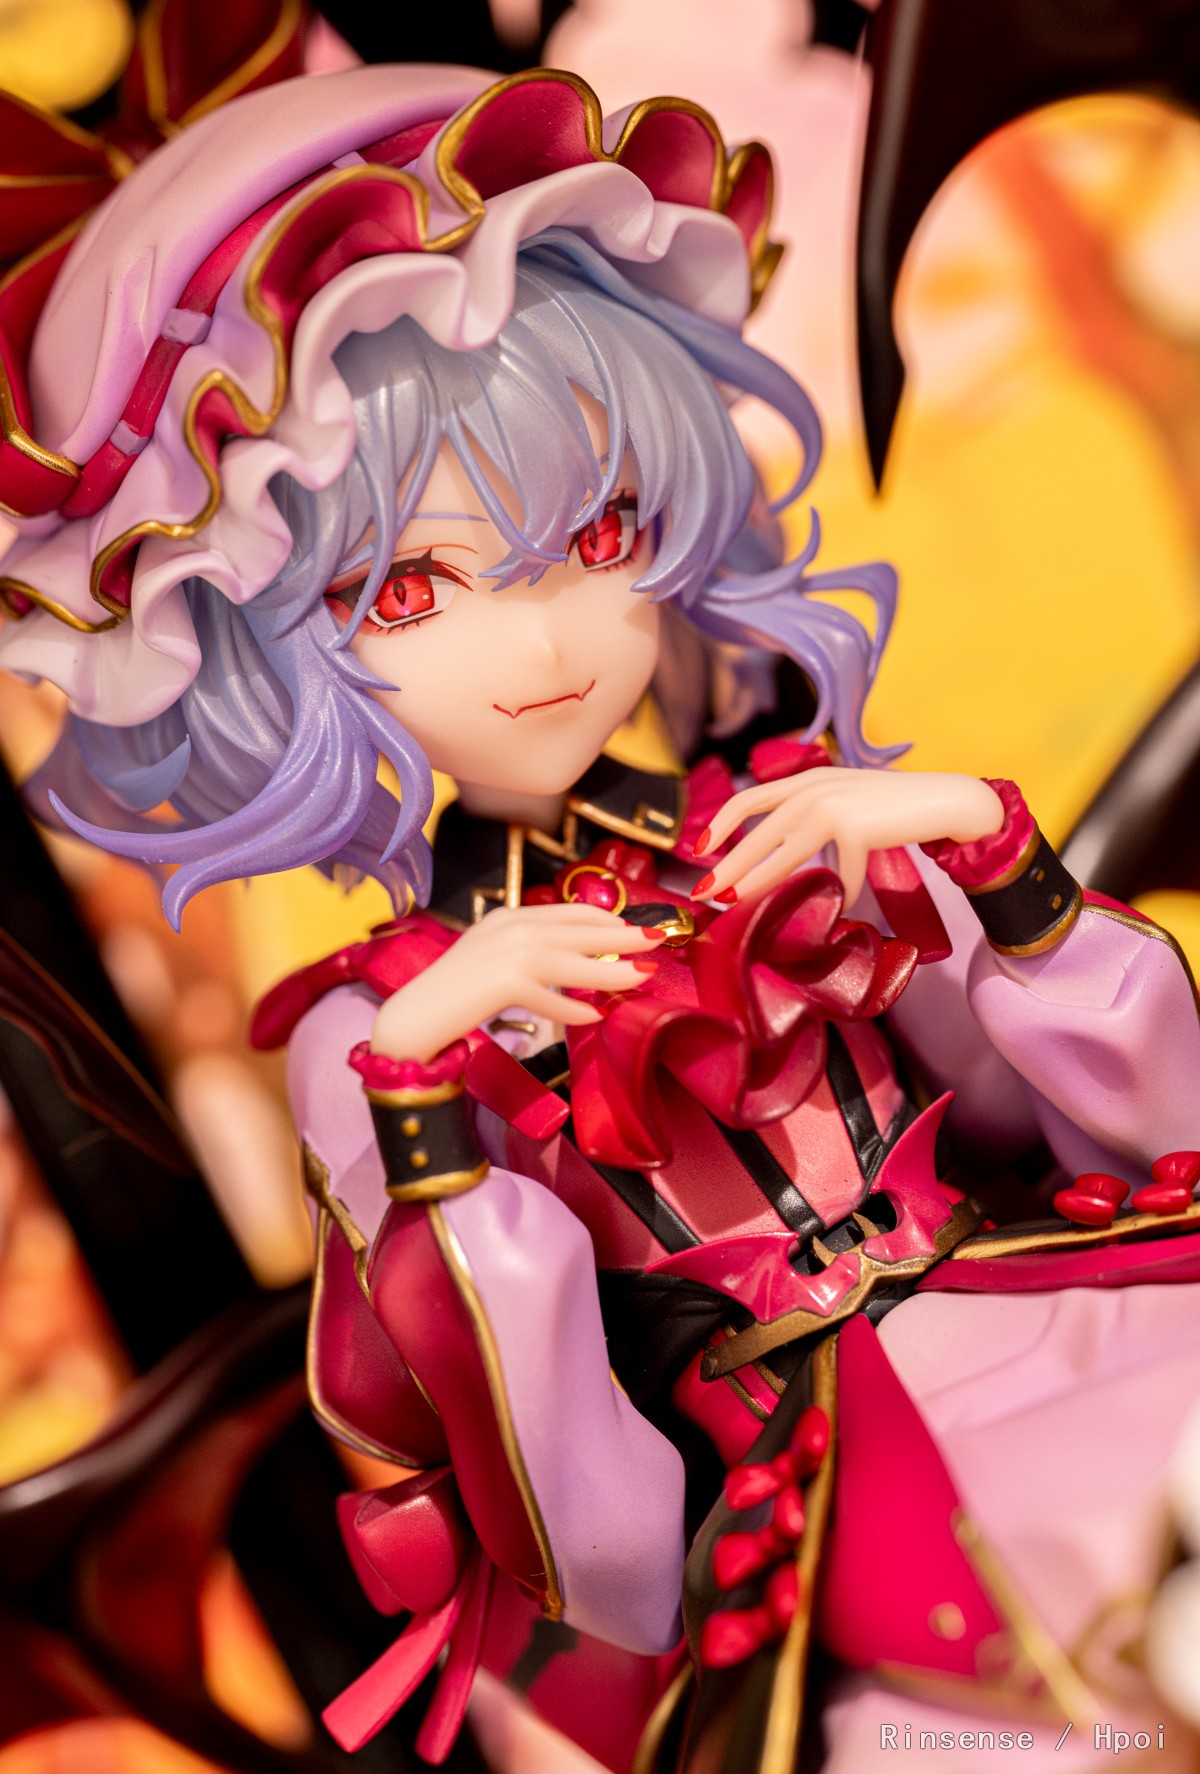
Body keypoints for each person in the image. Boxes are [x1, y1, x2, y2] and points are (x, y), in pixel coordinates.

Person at [4, 57, 1200, 1774]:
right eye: (407, 590)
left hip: (1039, 1294)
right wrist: (430, 1106)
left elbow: (1129, 1137)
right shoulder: (380, 1030)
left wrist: (992, 866)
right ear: (258, 643)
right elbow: (589, 1538)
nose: (546, 639)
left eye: (600, 528)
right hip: (800, 1482)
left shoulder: (793, 816)